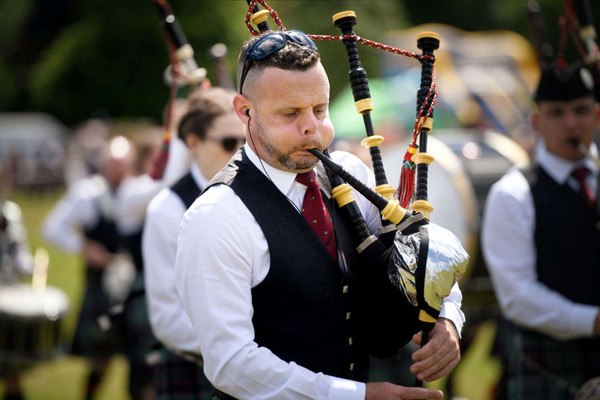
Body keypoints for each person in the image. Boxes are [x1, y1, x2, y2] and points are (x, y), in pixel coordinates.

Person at [174, 30, 464, 400]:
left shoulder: (346, 171)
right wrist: (359, 395)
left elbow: (417, 251)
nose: (312, 127)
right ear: (244, 111)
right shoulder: (216, 217)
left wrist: (448, 317)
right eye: (290, 113)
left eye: (320, 109)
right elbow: (232, 364)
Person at [481, 64, 600, 399]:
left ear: (597, 115)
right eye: (557, 113)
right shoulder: (514, 193)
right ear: (536, 122)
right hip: (549, 366)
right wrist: (592, 320)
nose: (571, 123)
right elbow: (517, 297)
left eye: (581, 110)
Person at [143, 87, 245, 399]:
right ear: (193, 143)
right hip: (195, 368)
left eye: (247, 141)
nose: (241, 152)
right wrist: (245, 346)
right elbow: (167, 318)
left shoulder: (256, 194)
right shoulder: (166, 210)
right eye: (229, 143)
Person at [41, 136, 135, 400]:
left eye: (123, 163)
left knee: (140, 358)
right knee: (100, 359)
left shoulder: (138, 191)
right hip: (100, 285)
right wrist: (85, 248)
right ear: (105, 163)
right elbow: (52, 228)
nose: (118, 169)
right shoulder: (88, 193)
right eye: (114, 163)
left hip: (134, 285)